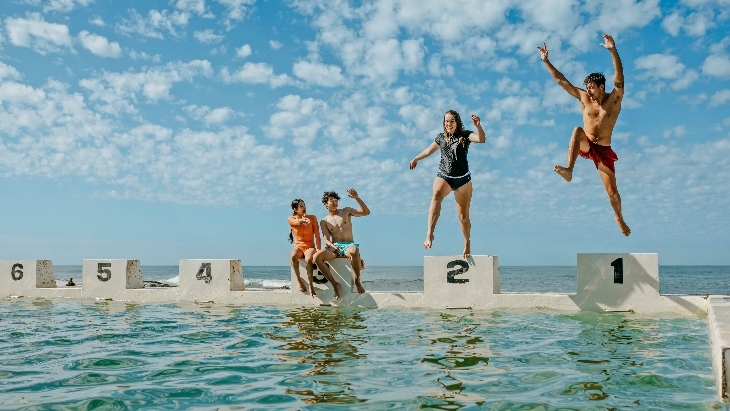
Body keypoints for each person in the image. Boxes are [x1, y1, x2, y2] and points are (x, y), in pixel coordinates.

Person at [537, 34, 631, 236]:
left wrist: (613, 51)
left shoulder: (614, 100)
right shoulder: (584, 97)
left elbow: (619, 77)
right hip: (586, 143)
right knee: (577, 130)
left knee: (613, 194)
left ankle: (619, 218)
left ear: (601, 87)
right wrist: (546, 61)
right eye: (586, 87)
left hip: (603, 150)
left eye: (591, 88)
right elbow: (562, 81)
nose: (588, 92)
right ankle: (569, 170)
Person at [409, 110, 486, 258]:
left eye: (451, 121)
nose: (448, 124)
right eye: (446, 121)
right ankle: (430, 234)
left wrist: (478, 126)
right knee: (436, 195)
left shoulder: (465, 135)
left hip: (463, 180)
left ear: (457, 122)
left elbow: (481, 139)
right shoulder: (441, 138)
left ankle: (466, 243)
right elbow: (428, 151)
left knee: (463, 217)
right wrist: (416, 158)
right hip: (444, 176)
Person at [313, 189, 370, 296]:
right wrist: (332, 246)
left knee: (354, 250)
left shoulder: (346, 211)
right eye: (331, 200)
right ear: (326, 204)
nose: (335, 202)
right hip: (334, 246)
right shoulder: (324, 221)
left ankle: (357, 281)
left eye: (336, 200)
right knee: (317, 257)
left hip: (348, 246)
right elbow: (326, 239)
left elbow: (366, 212)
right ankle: (335, 284)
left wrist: (357, 197)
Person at [288, 199, 321, 298]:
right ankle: (300, 280)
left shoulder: (312, 218)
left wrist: (318, 250)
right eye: (301, 206)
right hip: (298, 247)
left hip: (309, 247)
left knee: (308, 259)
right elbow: (294, 222)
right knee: (293, 255)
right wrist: (302, 220)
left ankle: (311, 286)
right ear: (295, 209)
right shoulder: (291, 218)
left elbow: (317, 236)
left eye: (304, 205)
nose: (304, 208)